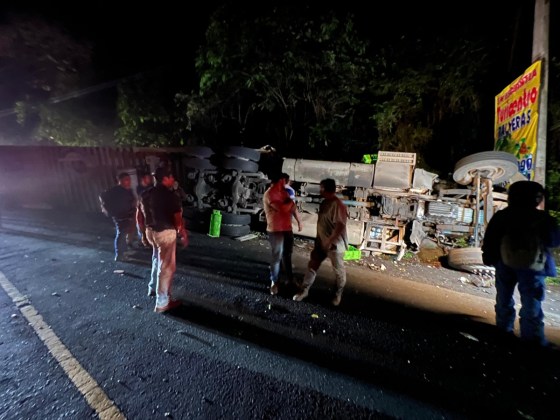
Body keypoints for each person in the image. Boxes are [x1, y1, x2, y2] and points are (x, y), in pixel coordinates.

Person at [482, 180, 560, 347]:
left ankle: (504, 330)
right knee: (532, 301)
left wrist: (488, 256)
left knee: (503, 297)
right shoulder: (543, 219)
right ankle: (532, 338)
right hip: (534, 267)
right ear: (537, 199)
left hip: (504, 262)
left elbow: (491, 238)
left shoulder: (503, 216)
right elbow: (553, 241)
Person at [136, 167, 188, 313]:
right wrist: (183, 233)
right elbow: (178, 221)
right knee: (166, 268)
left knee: (156, 258)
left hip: (150, 232)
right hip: (165, 233)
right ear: (166, 178)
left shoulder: (145, 194)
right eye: (171, 178)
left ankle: (153, 287)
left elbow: (139, 216)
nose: (173, 181)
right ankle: (162, 302)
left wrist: (142, 233)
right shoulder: (170, 195)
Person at [293, 178, 348, 306]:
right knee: (313, 265)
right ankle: (304, 290)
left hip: (335, 245)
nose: (320, 190)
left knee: (339, 271)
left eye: (321, 188)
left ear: (326, 189)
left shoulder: (338, 205)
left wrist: (330, 240)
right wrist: (320, 241)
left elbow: (340, 226)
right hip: (322, 242)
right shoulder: (324, 203)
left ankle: (337, 295)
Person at [263, 173, 303, 295]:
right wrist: (290, 203)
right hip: (276, 231)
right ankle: (274, 282)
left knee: (287, 256)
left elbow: (293, 208)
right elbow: (284, 208)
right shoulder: (269, 194)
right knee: (277, 256)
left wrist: (299, 222)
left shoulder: (283, 192)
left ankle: (289, 280)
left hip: (286, 229)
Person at [99, 172, 137, 262]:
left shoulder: (128, 190)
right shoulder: (114, 191)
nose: (129, 181)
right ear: (120, 181)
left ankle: (124, 251)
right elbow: (102, 196)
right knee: (121, 234)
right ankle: (119, 254)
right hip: (120, 216)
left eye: (129, 179)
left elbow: (132, 200)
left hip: (129, 215)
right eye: (126, 180)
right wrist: (108, 211)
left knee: (127, 233)